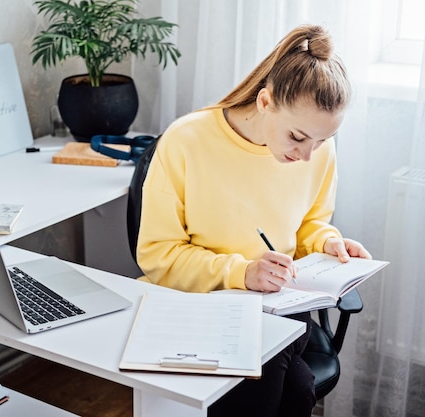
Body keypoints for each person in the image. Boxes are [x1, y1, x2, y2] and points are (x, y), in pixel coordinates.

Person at [136, 24, 372, 417]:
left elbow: (310, 223)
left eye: (320, 142)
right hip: (201, 305)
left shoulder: (317, 151)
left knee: (281, 384)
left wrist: (327, 242)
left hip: (276, 308)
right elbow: (157, 256)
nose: (307, 156)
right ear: (265, 101)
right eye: (297, 137)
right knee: (293, 389)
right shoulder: (186, 142)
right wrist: (241, 272)